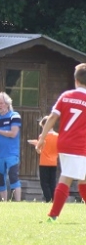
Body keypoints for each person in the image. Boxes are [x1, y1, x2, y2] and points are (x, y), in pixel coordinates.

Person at [38, 63, 86, 221]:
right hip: (79, 145)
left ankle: (53, 215)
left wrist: (42, 138)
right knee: (67, 177)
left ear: (76, 80)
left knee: (83, 178)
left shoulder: (66, 96)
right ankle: (53, 216)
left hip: (65, 143)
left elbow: (52, 117)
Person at [0, 92, 22, 201]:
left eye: (1, 103)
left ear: (7, 104)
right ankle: (4, 203)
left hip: (11, 153)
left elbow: (13, 133)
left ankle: (18, 203)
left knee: (13, 176)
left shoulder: (14, 116)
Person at [28, 116, 59, 202]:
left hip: (44, 162)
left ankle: (48, 199)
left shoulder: (42, 136)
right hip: (54, 162)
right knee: (52, 182)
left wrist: (36, 145)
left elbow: (39, 150)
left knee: (44, 183)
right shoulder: (57, 136)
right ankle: (54, 199)